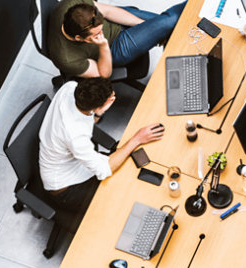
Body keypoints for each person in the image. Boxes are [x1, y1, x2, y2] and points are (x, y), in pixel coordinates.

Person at [39, 77, 164, 213]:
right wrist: (137, 138)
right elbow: (104, 170)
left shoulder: (70, 87)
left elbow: (84, 120)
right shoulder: (75, 136)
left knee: (129, 163)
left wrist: (99, 111)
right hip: (68, 189)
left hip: (72, 161)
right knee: (127, 192)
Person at [48, 0, 186, 78]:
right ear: (79, 38)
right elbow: (104, 74)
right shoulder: (66, 59)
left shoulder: (76, 3)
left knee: (168, 24)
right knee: (170, 21)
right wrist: (103, 46)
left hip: (116, 21)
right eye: (97, 34)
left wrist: (145, 27)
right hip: (114, 48)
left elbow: (108, 12)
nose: (101, 33)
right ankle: (205, 3)